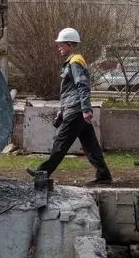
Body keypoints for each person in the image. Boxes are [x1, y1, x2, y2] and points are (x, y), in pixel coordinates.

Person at [28, 28, 112, 186]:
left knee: (60, 143)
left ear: (69, 45)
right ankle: (104, 175)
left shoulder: (75, 63)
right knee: (91, 146)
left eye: (61, 45)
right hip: (74, 109)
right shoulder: (71, 63)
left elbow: (83, 86)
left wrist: (86, 109)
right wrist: (62, 111)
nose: (58, 48)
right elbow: (70, 91)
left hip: (76, 111)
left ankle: (42, 172)